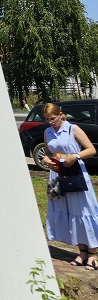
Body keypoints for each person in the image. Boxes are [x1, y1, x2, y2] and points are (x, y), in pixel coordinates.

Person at [42, 102, 98, 269]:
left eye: (52, 118)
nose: (50, 122)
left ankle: (93, 254)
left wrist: (74, 156)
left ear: (60, 114)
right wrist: (46, 160)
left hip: (75, 173)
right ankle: (81, 252)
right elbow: (48, 153)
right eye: (46, 120)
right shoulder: (48, 132)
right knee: (69, 212)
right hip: (57, 174)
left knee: (82, 210)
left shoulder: (73, 129)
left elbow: (91, 149)